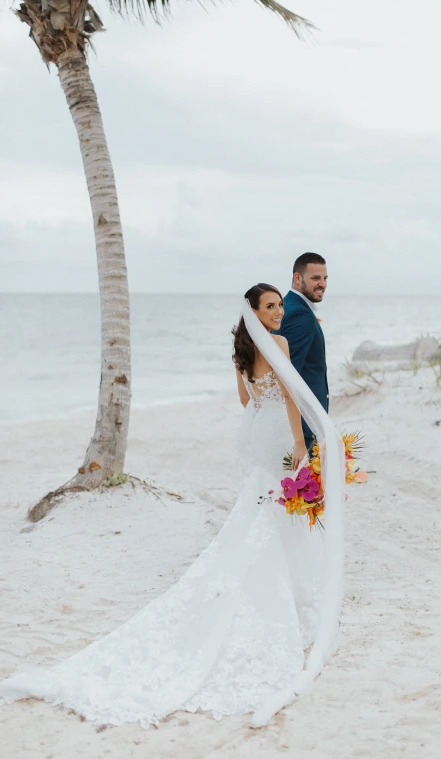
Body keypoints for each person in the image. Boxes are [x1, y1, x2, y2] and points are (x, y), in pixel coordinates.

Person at [0, 284, 344, 728]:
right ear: (255, 312)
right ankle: (287, 592)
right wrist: (300, 441)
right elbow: (294, 397)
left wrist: (269, 409)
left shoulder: (241, 349)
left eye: (280, 305)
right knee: (272, 509)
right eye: (271, 306)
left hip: (255, 430)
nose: (279, 312)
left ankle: (275, 584)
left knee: (261, 508)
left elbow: (246, 400)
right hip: (277, 430)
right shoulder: (276, 343)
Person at [280, 253, 329, 449]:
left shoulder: (286, 306)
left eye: (325, 278)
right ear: (297, 278)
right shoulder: (300, 315)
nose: (323, 284)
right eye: (316, 278)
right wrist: (300, 437)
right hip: (305, 423)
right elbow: (289, 376)